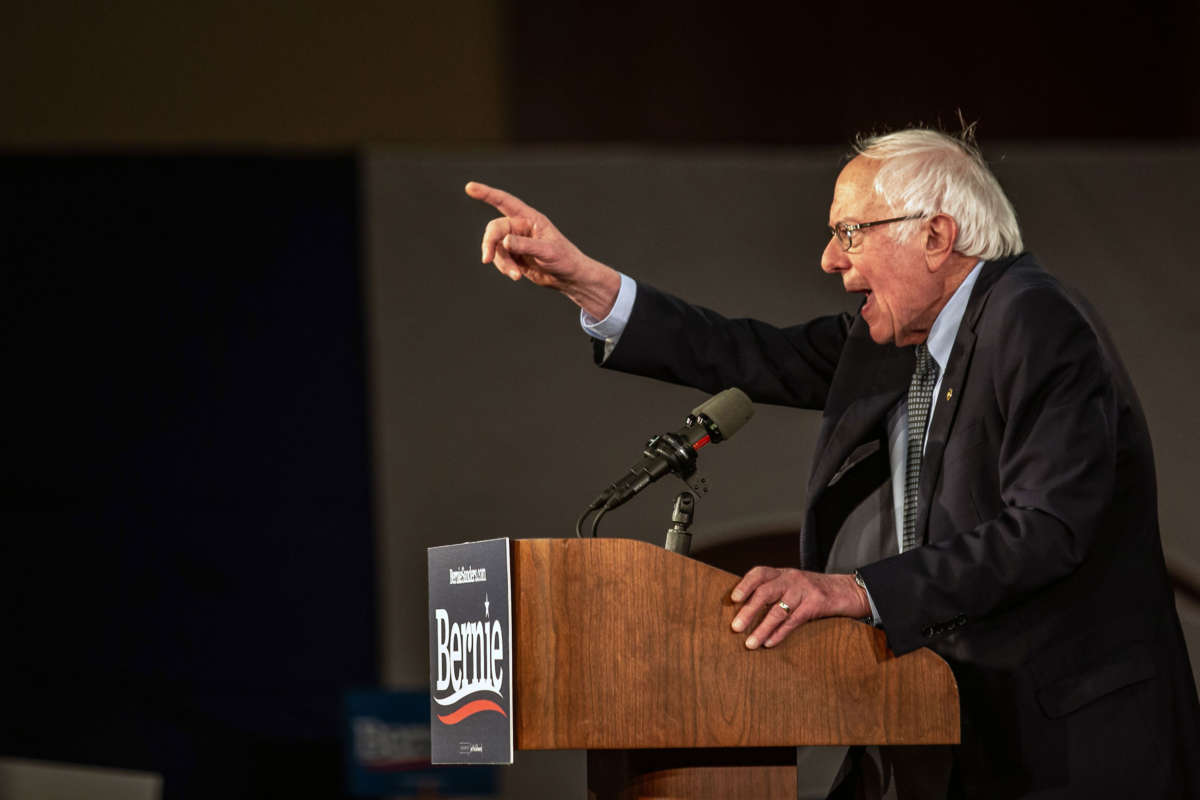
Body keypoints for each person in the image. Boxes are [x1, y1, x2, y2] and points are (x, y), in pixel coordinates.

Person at [465, 128, 1200, 799]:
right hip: (945, 729)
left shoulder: (1034, 320)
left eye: (850, 231)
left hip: (1070, 744)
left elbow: (1047, 531)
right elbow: (742, 352)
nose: (829, 259)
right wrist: (588, 282)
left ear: (936, 236)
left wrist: (855, 591)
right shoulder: (891, 343)